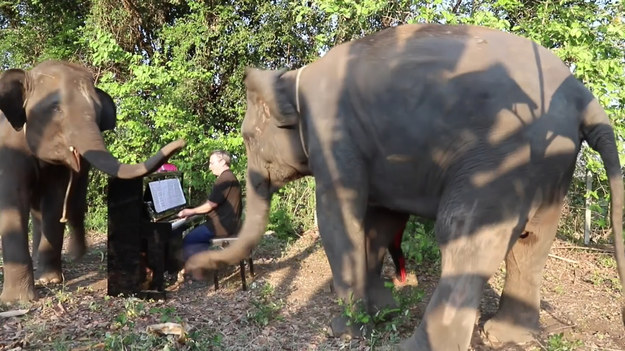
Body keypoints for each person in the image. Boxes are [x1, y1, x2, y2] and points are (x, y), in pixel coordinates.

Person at [177, 150, 242, 262]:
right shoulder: (229, 177)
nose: (210, 167)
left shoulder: (224, 179)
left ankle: (191, 271)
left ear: (222, 162)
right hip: (228, 224)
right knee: (196, 235)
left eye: (212, 163)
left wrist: (190, 212)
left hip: (221, 226)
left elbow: (210, 205)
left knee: (189, 239)